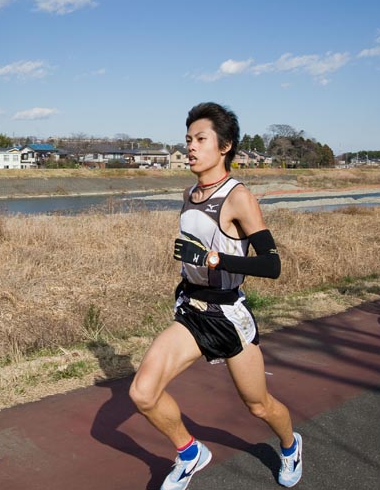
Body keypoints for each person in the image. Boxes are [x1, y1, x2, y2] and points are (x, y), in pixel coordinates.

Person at [129, 102, 302, 489]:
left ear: (224, 147)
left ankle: (291, 445)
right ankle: (190, 452)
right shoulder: (188, 192)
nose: (190, 147)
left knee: (258, 405)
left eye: (200, 139)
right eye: (188, 139)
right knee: (143, 393)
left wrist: (213, 257)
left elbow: (272, 265)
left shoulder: (237, 197)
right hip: (192, 309)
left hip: (228, 317)